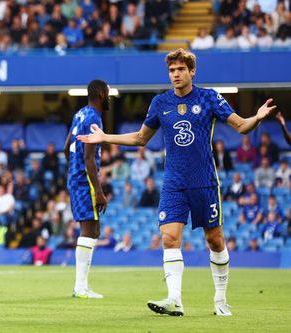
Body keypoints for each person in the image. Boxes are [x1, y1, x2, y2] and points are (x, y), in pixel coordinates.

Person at [77, 48, 277, 316]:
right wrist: (104, 138)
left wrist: (257, 118)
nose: (176, 74)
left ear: (192, 71)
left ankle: (220, 300)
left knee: (215, 240)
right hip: (173, 181)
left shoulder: (209, 97)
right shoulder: (160, 103)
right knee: (169, 237)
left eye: (181, 69)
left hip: (204, 181)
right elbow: (140, 138)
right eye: (172, 70)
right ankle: (175, 300)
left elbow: (240, 126)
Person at [64, 79, 110, 299]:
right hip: (86, 180)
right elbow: (89, 158)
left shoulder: (80, 114)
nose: (109, 96)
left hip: (76, 178)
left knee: (93, 230)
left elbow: (66, 148)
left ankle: (82, 285)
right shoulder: (93, 118)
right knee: (89, 230)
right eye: (108, 93)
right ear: (101, 94)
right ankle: (80, 287)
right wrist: (99, 191)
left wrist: (72, 170)